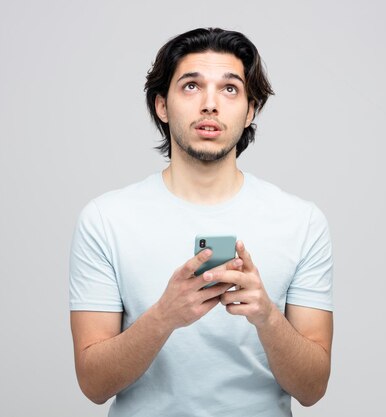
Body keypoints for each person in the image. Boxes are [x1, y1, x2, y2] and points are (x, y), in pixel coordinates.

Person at [69, 27, 334, 416]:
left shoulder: (301, 221)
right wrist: (163, 316)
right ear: (162, 105)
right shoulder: (106, 219)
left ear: (250, 110)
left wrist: (267, 318)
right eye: (191, 86)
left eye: (230, 89)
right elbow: (93, 384)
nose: (210, 104)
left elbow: (313, 389)